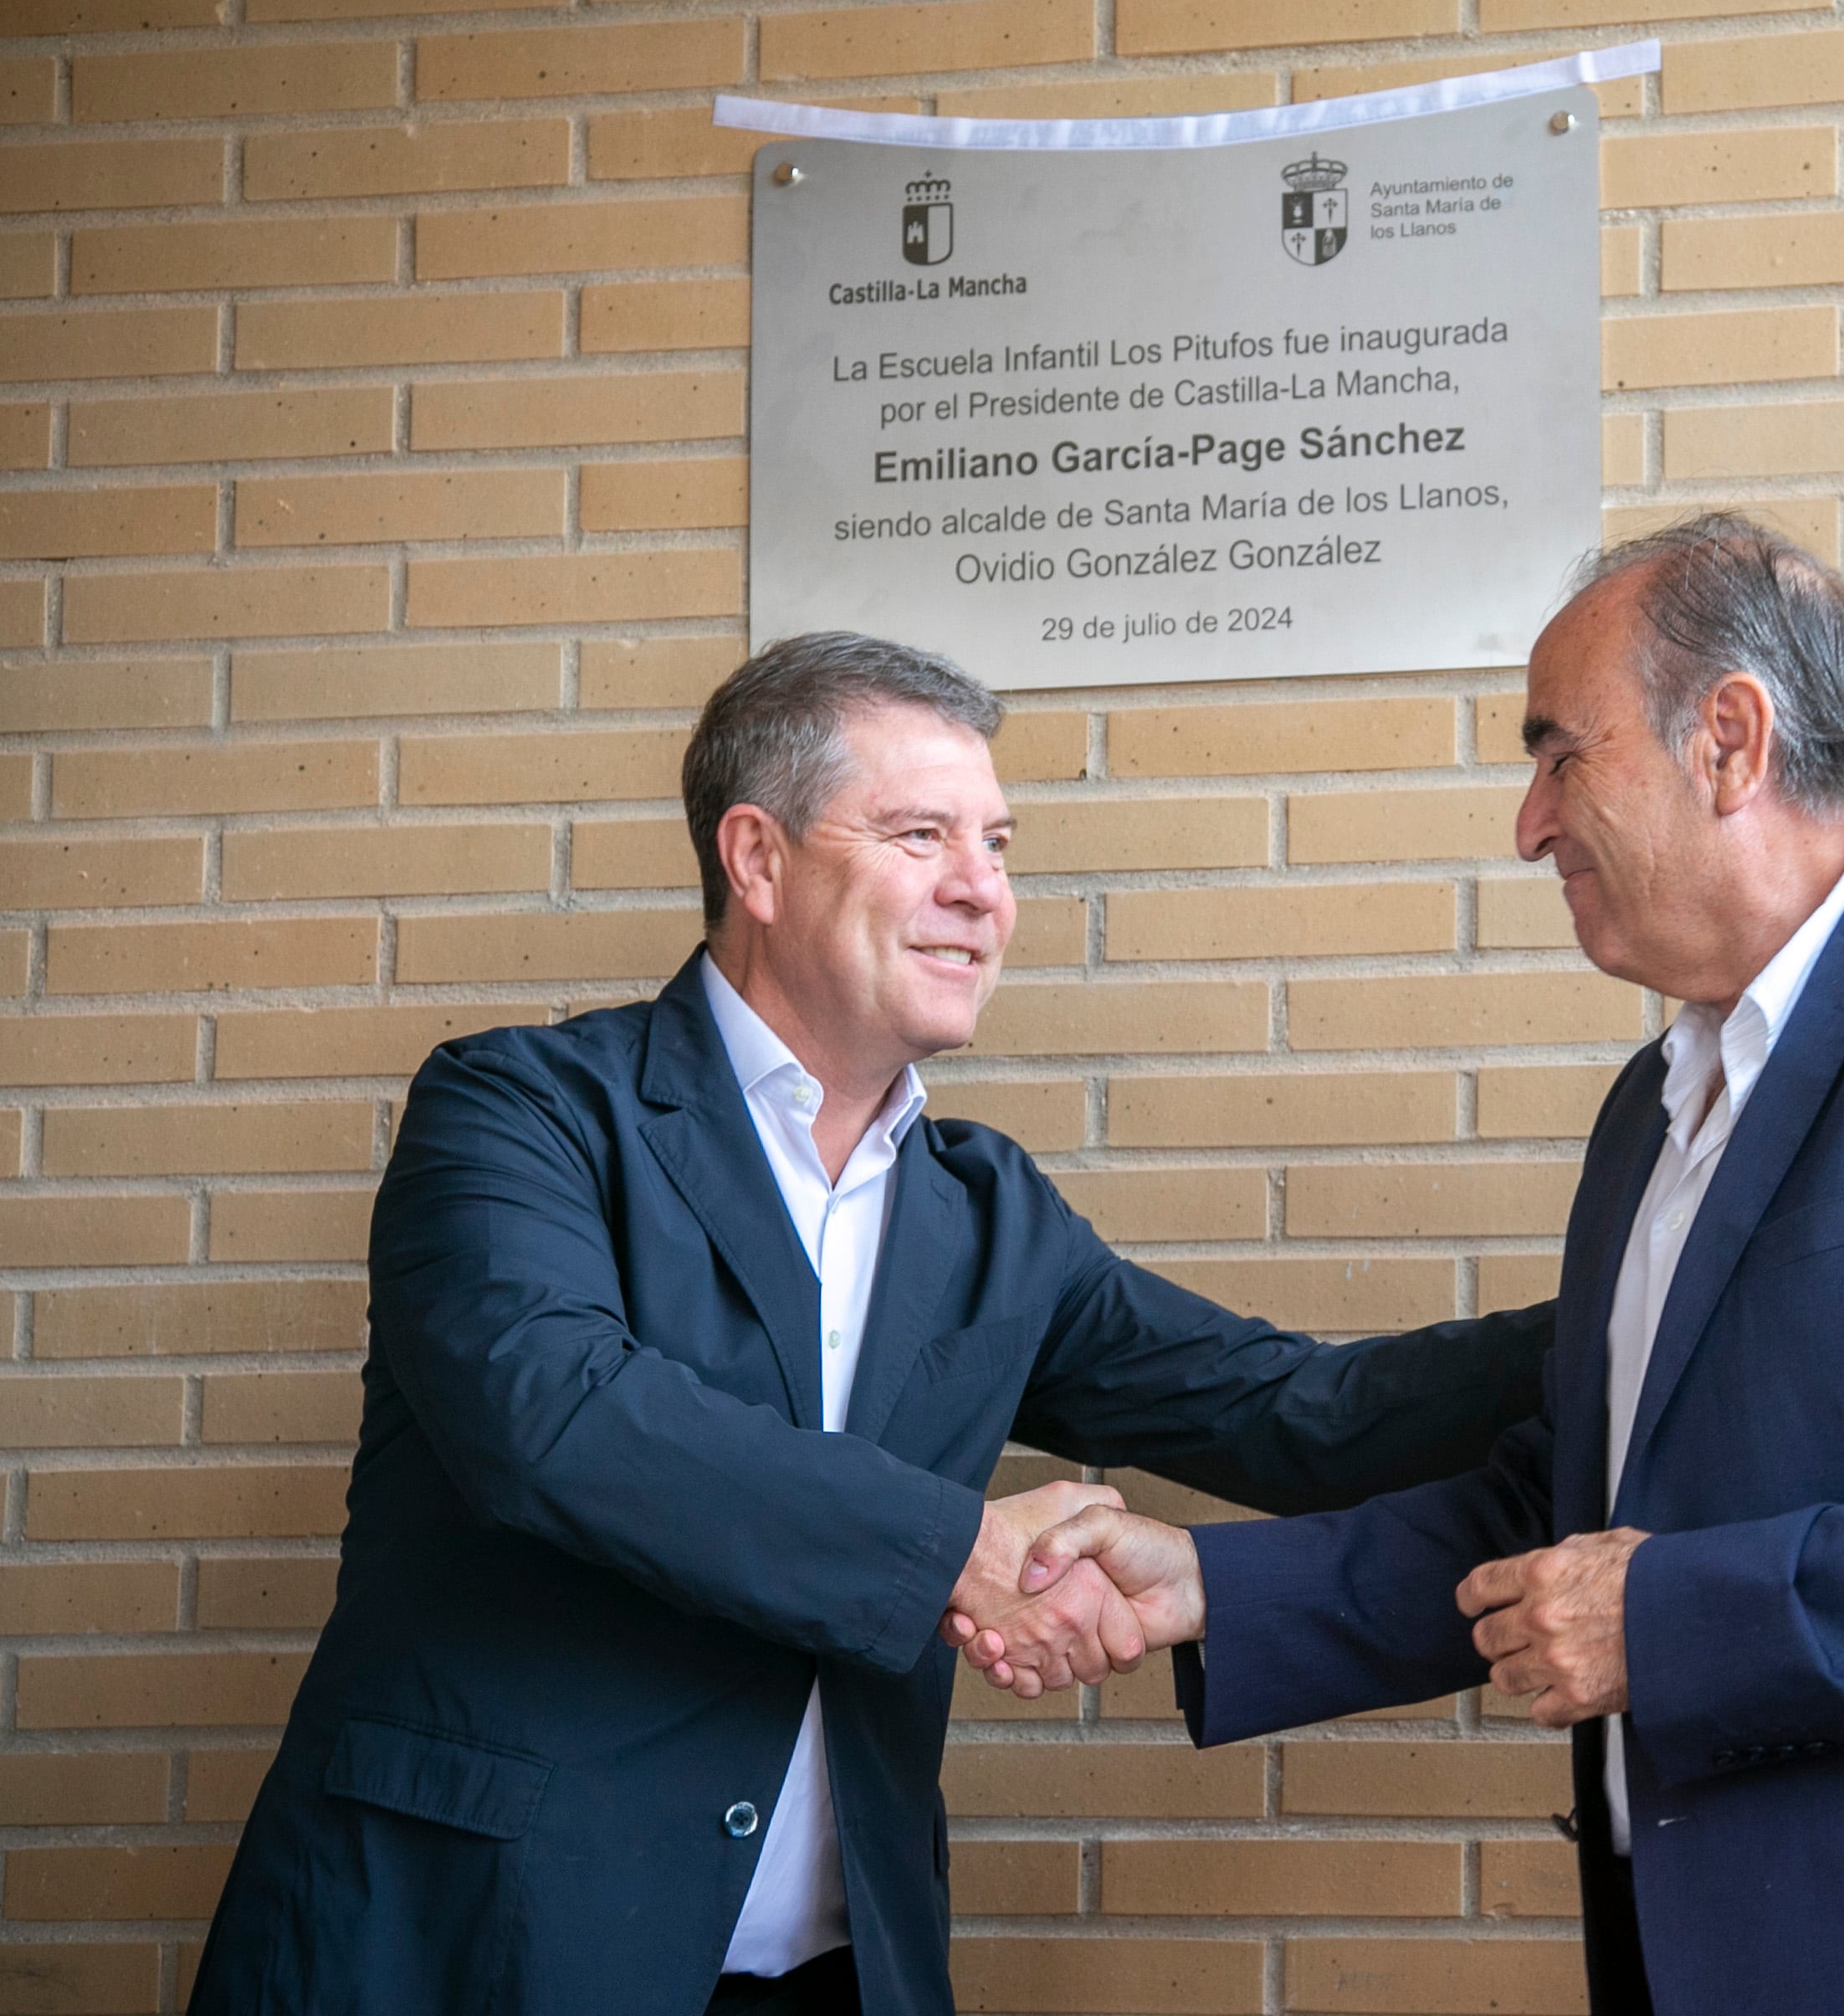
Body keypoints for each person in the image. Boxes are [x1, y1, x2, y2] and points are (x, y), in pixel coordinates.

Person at [976, 516, 1844, 2015]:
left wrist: (1677, 1621)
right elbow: (1577, 1503)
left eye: (1561, 754)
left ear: (1731, 740)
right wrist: (1210, 1590)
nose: (1529, 823)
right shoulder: (1656, 1101)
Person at [188, 633, 1551, 2016]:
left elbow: (1298, 1417)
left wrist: (1643, 1318)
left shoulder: (985, 1215)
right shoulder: (522, 1111)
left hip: (844, 1976)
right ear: (758, 861)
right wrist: (961, 1546)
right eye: (921, 834)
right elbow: (555, 1413)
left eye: (1000, 845)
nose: (984, 890)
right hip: (466, 1951)